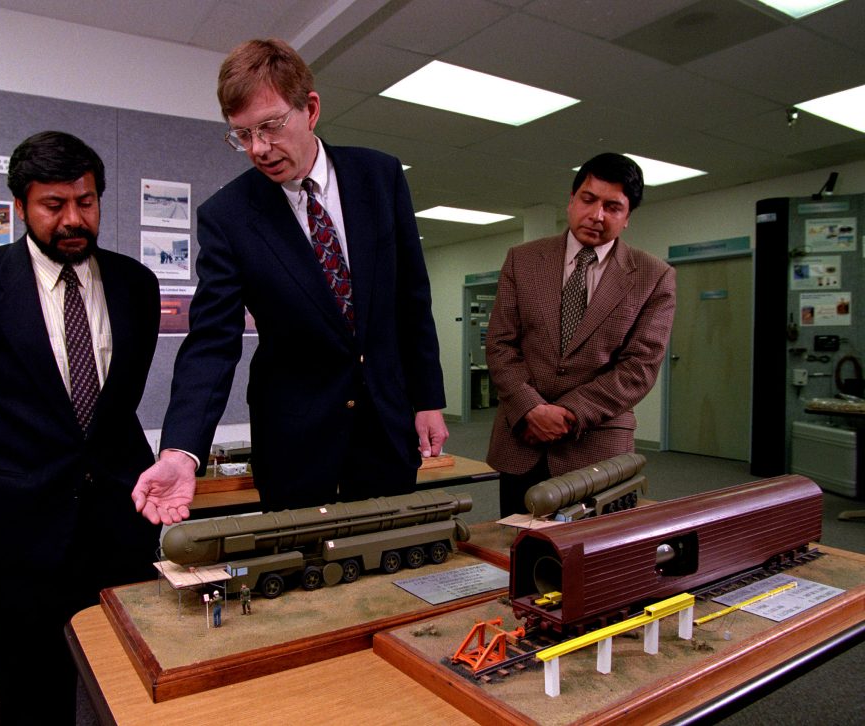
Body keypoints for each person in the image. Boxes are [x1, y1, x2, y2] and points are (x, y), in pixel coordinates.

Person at [132, 38, 447, 519]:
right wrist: (180, 451)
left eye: (271, 127)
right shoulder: (229, 216)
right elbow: (212, 342)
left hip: (385, 426)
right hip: (294, 440)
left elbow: (411, 296)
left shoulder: (379, 176)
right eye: (242, 134)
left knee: (385, 564)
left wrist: (426, 398)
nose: (258, 148)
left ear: (311, 109)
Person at [0, 131, 162, 724]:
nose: (73, 219)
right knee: (32, 683)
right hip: (20, 526)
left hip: (117, 522)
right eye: (54, 205)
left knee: (130, 676)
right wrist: (6, 465)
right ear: (21, 207)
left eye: (86, 201)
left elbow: (119, 402)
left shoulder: (137, 286)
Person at [485, 153, 676, 517]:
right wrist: (531, 409)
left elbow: (640, 367)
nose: (597, 215)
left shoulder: (654, 276)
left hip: (597, 449)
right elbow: (500, 344)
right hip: (521, 438)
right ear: (571, 200)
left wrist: (568, 413)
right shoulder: (522, 260)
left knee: (594, 561)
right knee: (515, 552)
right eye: (589, 200)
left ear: (627, 217)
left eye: (613, 207)